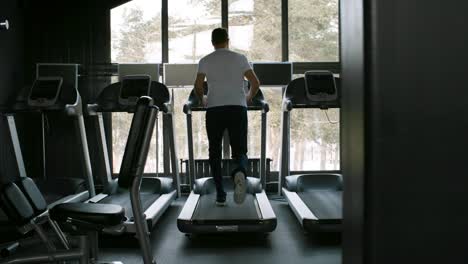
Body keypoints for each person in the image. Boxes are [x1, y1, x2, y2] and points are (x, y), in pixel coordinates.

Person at [194, 28, 260, 206]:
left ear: (212, 42)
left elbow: (198, 85)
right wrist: (248, 97)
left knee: (214, 151)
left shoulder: (205, 60)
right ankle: (239, 171)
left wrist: (203, 99)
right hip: (237, 108)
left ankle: (220, 194)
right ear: (228, 40)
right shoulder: (240, 58)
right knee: (240, 150)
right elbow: (255, 82)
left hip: (215, 108)